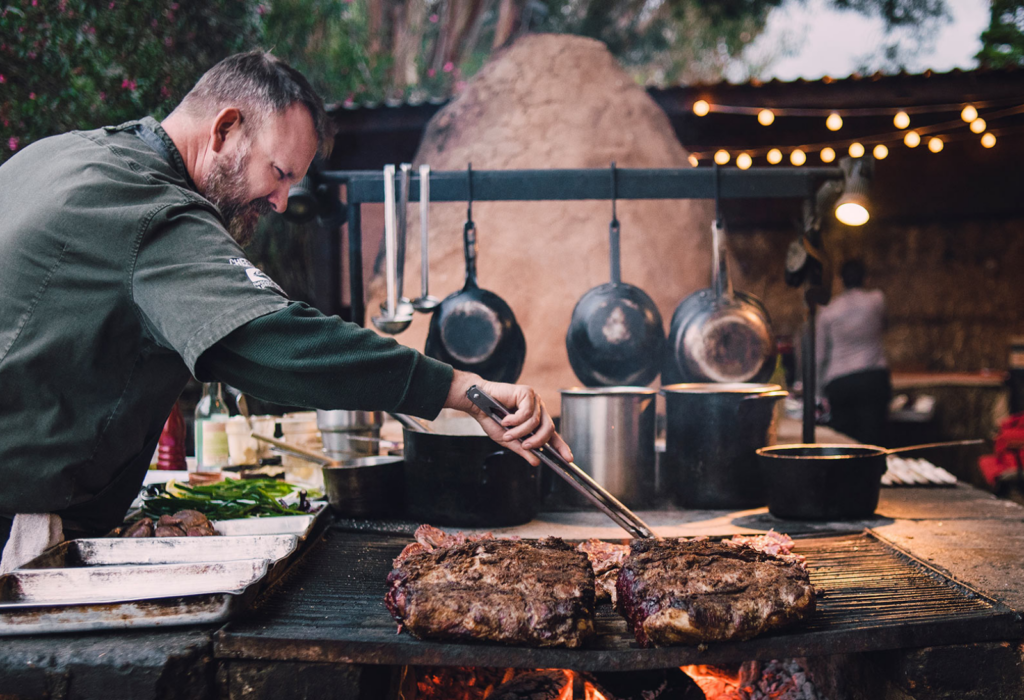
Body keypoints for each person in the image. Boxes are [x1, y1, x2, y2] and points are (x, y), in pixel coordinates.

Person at [0, 51, 570, 554]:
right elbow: (276, 344)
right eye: (278, 173)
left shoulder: (54, 158)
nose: (280, 201)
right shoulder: (152, 211)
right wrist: (458, 390)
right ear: (224, 127)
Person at [816, 259, 891, 445]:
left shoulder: (829, 311)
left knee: (845, 441)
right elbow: (885, 325)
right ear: (865, 278)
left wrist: (818, 391)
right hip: (873, 378)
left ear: (840, 280)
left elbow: (819, 355)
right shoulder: (876, 300)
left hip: (841, 381)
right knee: (874, 440)